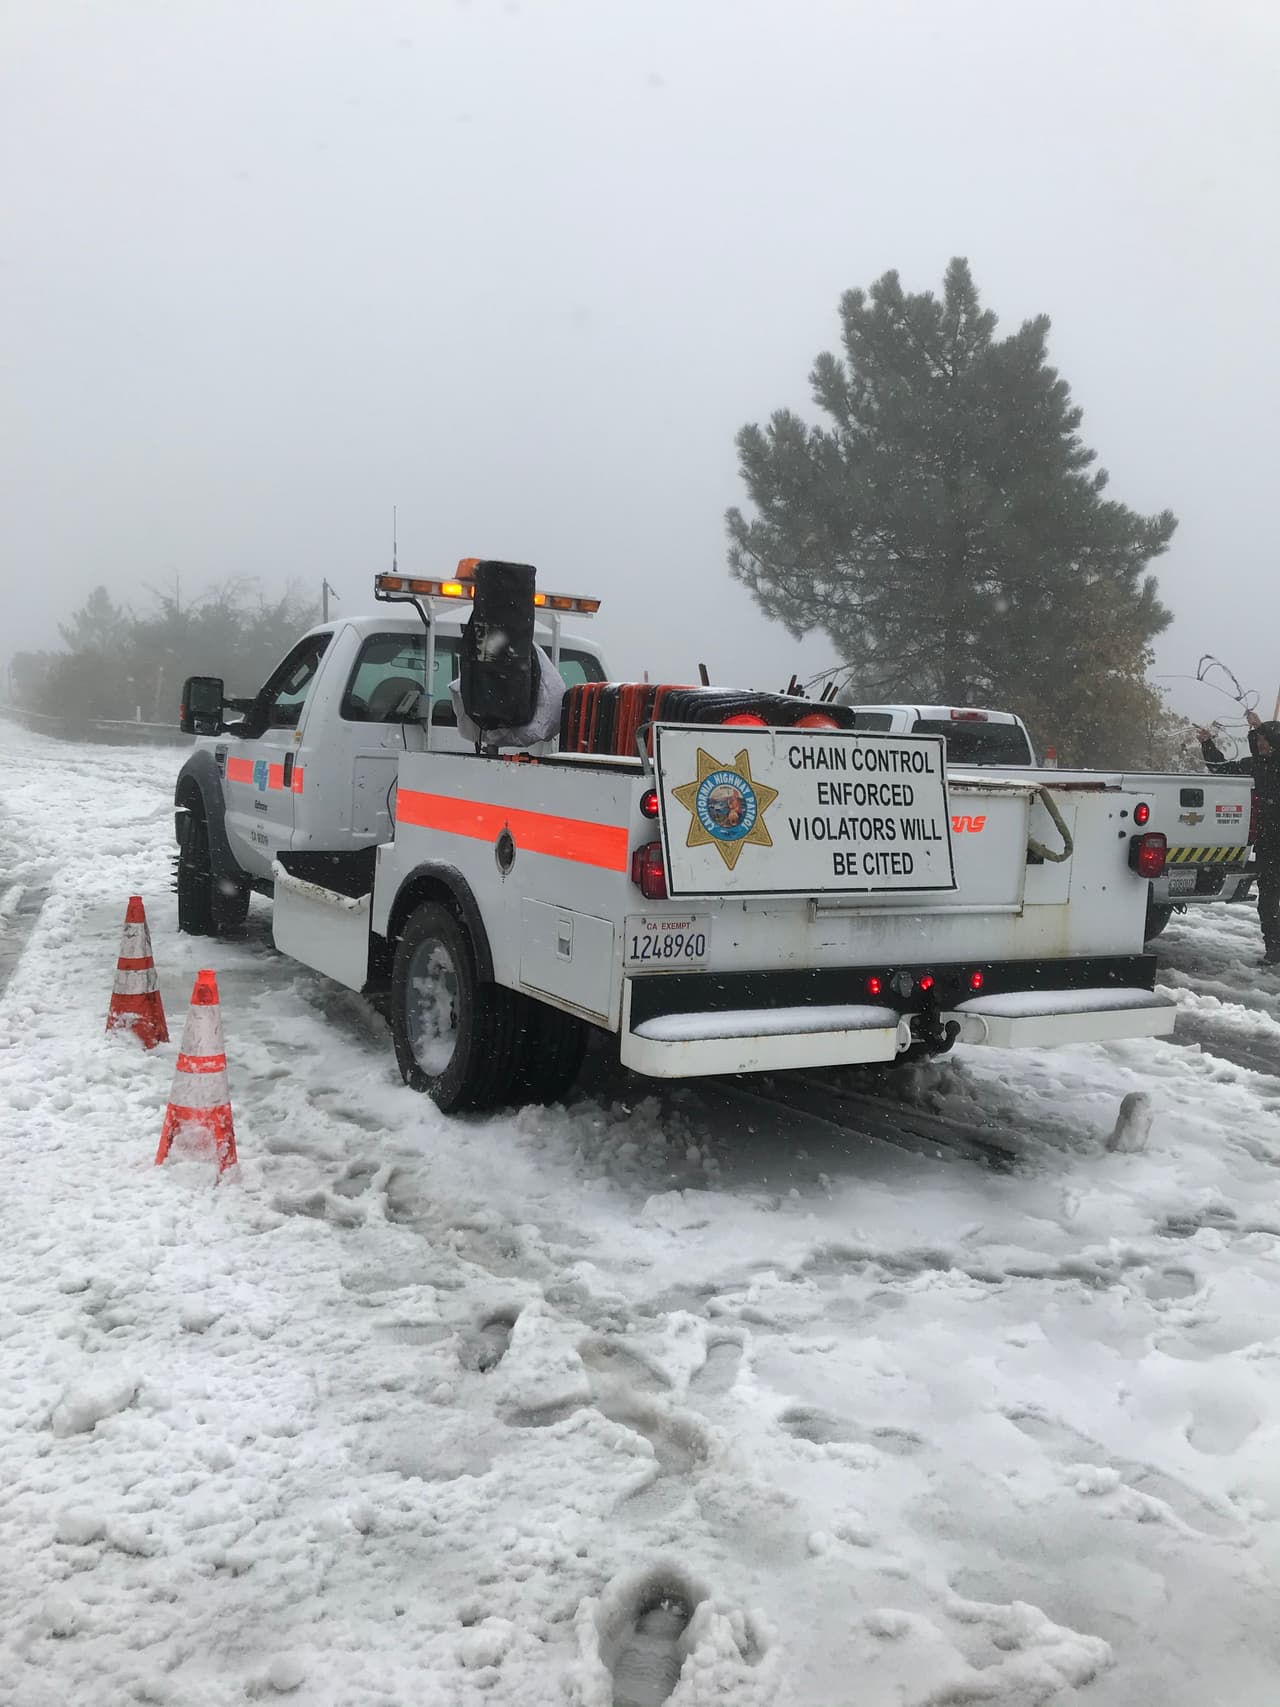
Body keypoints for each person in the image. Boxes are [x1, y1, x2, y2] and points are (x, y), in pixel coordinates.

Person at [1195, 712, 1280, 965]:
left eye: (1267, 739)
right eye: (1260, 740)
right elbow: (1220, 768)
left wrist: (1260, 725)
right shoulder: (1252, 765)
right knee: (1269, 900)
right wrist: (1207, 743)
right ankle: (1275, 950)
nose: (1263, 744)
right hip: (1268, 845)